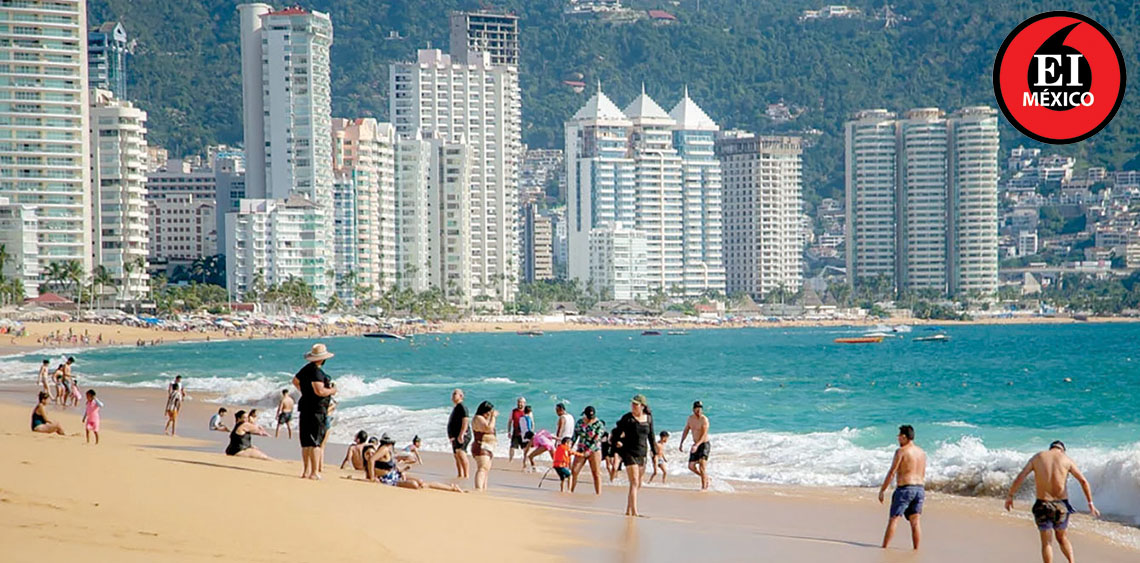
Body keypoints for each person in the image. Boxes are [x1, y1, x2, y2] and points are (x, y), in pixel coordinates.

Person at [1005, 441, 1100, 563]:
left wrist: (1010, 496)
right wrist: (1090, 504)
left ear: (1051, 448)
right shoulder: (1066, 460)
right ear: (1062, 450)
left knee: (1047, 543)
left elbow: (1020, 477)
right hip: (1061, 505)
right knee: (1062, 538)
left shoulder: (1038, 457)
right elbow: (1083, 481)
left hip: (1042, 504)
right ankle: (1071, 562)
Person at [292, 343, 337, 480]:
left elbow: (295, 381)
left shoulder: (306, 369)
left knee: (306, 442)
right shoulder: (317, 372)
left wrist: (305, 392)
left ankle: (306, 471)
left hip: (305, 406)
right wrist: (332, 390)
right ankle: (314, 472)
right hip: (316, 409)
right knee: (316, 442)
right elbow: (320, 391)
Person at [878, 424, 927, 550]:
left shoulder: (901, 451)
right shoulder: (922, 452)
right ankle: (916, 549)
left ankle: (884, 548)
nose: (898, 438)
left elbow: (892, 472)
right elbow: (922, 472)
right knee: (915, 522)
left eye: (899, 436)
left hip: (905, 489)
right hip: (920, 489)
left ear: (904, 437)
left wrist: (882, 490)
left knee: (894, 519)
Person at [364, 434, 464, 492]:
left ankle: (451, 488)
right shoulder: (384, 449)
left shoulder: (387, 451)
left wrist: (402, 470)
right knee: (415, 485)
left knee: (421, 482)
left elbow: (388, 466)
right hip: (388, 479)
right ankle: (451, 488)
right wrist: (372, 478)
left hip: (394, 474)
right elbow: (371, 460)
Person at [612, 394, 658, 517]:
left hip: (642, 453)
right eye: (632, 404)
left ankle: (628, 510)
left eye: (636, 404)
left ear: (642, 406)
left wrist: (655, 453)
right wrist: (617, 442)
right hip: (629, 452)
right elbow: (616, 432)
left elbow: (651, 437)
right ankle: (635, 512)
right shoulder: (627, 418)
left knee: (639, 483)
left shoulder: (648, 418)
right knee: (634, 482)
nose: (633, 406)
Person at [570, 405, 606, 495]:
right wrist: (568, 448)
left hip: (594, 450)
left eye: (592, 417)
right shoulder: (580, 423)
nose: (590, 419)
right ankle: (570, 491)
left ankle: (598, 494)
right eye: (588, 417)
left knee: (596, 473)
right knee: (574, 471)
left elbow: (597, 439)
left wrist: (589, 451)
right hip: (581, 449)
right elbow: (574, 437)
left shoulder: (599, 424)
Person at [679, 400, 711, 490]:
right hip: (696, 444)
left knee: (702, 466)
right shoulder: (690, 419)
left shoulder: (704, 419)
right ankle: (706, 477)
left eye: (700, 408)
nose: (699, 410)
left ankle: (704, 487)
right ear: (693, 409)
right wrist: (681, 442)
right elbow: (686, 430)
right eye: (697, 408)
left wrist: (697, 445)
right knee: (691, 466)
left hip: (704, 444)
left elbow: (704, 434)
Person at [471, 401, 498, 491]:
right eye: (488, 412)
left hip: (488, 447)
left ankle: (483, 488)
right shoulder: (478, 418)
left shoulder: (485, 419)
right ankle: (478, 488)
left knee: (486, 469)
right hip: (481, 446)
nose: (489, 414)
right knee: (482, 468)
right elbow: (488, 428)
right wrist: (493, 417)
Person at [446, 388, 471, 479]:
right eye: (453, 394)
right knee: (456, 455)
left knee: (461, 453)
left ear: (461, 396)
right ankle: (460, 474)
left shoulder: (462, 407)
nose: (453, 396)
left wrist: (461, 434)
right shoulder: (456, 407)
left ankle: (466, 475)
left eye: (455, 394)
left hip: (462, 435)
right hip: (455, 436)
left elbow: (465, 420)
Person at [508, 397, 527, 464]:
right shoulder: (513, 411)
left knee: (525, 448)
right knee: (512, 447)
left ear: (524, 403)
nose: (520, 403)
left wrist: (531, 432)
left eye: (521, 402)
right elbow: (510, 421)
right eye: (519, 402)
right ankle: (510, 460)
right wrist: (509, 431)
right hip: (515, 432)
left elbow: (532, 422)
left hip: (524, 433)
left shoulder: (527, 412)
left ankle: (525, 461)